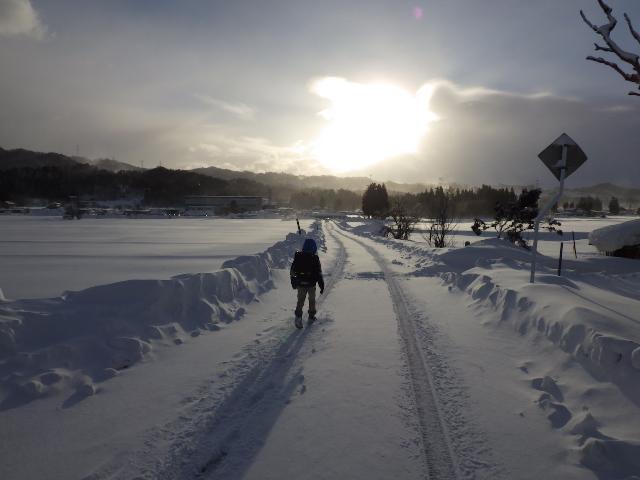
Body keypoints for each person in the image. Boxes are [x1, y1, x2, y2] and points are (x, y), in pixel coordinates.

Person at [290, 238, 324, 329]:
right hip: (311, 284)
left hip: (300, 283)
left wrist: (293, 282)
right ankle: (311, 317)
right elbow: (319, 273)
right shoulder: (315, 258)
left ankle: (298, 317)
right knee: (312, 300)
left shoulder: (298, 256)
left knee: (300, 301)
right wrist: (321, 285)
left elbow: (292, 271)